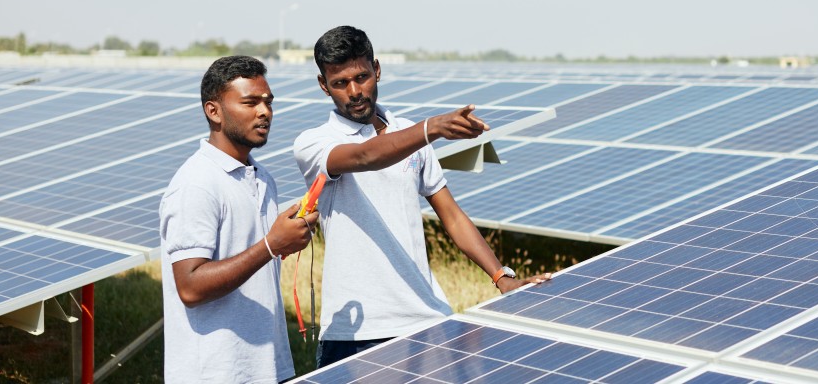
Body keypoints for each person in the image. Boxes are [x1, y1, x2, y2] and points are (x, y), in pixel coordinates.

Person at [294, 26, 552, 368]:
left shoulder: (411, 137)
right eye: (341, 83)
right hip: (356, 332)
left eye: (362, 77)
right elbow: (365, 156)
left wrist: (502, 277)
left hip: (428, 320)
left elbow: (452, 215)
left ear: (378, 70)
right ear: (324, 85)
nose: (354, 91)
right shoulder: (314, 143)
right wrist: (431, 129)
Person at [159, 55, 319, 383]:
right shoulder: (197, 183)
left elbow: (253, 254)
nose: (264, 112)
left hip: (265, 368)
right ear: (213, 111)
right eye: (250, 102)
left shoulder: (262, 178)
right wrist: (271, 245)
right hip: (215, 373)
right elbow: (189, 287)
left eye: (268, 102)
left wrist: (284, 237)